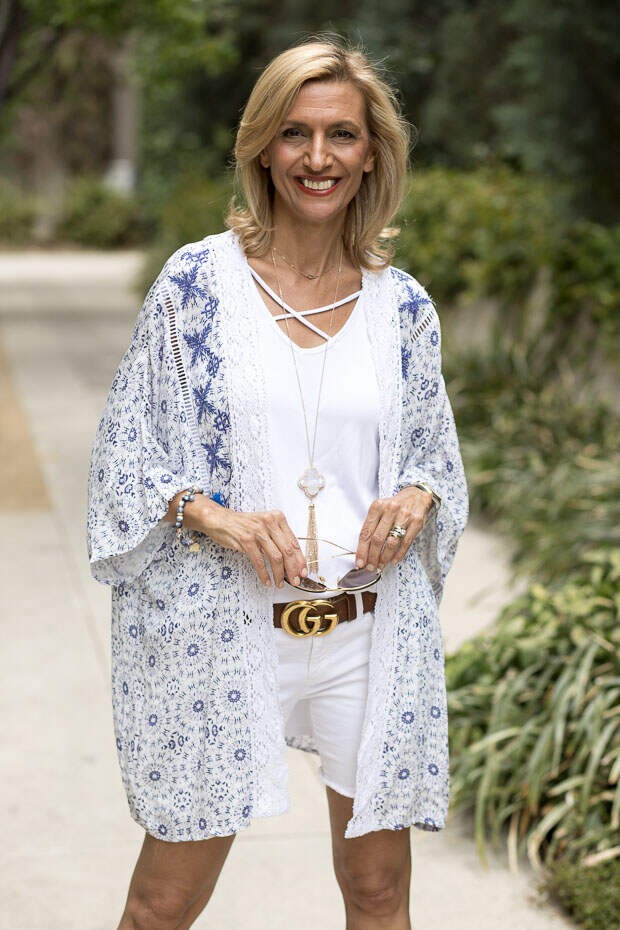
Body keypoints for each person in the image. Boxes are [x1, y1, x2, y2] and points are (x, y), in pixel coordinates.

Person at [87, 35, 469, 930]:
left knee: (378, 894)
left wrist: (418, 495)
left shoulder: (403, 305)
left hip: (361, 640)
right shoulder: (195, 285)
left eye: (341, 135)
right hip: (226, 632)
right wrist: (215, 515)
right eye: (295, 133)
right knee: (161, 904)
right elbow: (126, 457)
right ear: (263, 146)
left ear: (371, 150)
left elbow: (432, 457)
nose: (318, 157)